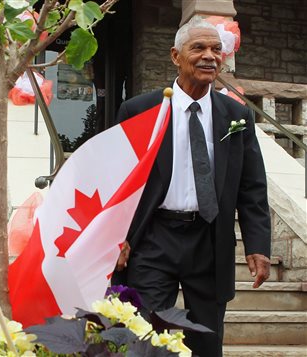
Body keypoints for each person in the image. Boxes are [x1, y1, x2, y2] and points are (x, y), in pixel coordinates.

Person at [112, 18, 271, 357]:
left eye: (216, 49)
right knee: (144, 336)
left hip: (210, 241)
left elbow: (252, 186)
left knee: (207, 341)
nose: (209, 56)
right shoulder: (140, 110)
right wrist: (117, 236)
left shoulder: (236, 115)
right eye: (198, 48)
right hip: (153, 239)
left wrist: (257, 244)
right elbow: (118, 180)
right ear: (175, 56)